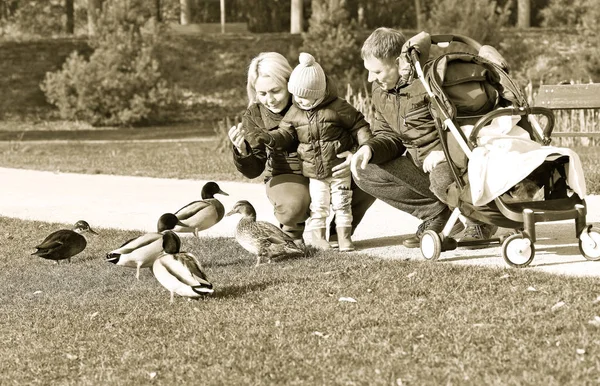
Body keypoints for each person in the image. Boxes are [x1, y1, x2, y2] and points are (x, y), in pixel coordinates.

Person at [350, 28, 497, 248]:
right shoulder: (380, 91)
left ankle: (481, 222)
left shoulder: (431, 82)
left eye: (378, 72)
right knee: (363, 171)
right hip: (419, 162)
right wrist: (369, 148)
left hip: (452, 160)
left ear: (398, 61)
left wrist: (444, 152)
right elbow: (388, 135)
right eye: (369, 71)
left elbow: (467, 125)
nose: (371, 78)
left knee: (441, 180)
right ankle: (439, 216)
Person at [228, 52, 375, 248]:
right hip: (287, 173)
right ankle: (291, 235)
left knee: (371, 177)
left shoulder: (313, 97)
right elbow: (254, 169)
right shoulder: (255, 115)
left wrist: (354, 155)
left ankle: (337, 233)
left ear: (290, 83)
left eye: (275, 90)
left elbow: (352, 128)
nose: (270, 100)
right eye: (262, 94)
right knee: (295, 203)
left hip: (330, 165)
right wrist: (242, 151)